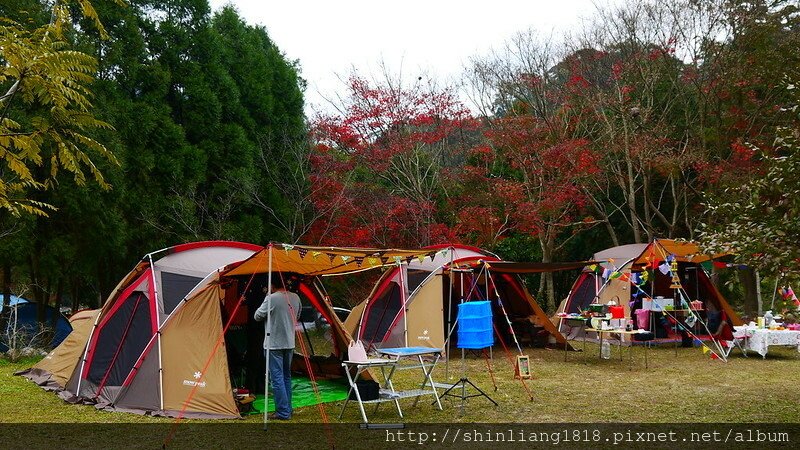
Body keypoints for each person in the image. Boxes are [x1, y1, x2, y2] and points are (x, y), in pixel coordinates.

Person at [254, 275, 301, 420]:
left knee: (277, 378)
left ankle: (282, 412)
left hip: (274, 343)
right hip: (289, 342)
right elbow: (298, 316)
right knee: (286, 376)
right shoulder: (296, 297)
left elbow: (257, 316)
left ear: (272, 286)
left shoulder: (272, 298)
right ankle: (288, 408)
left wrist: (267, 298)